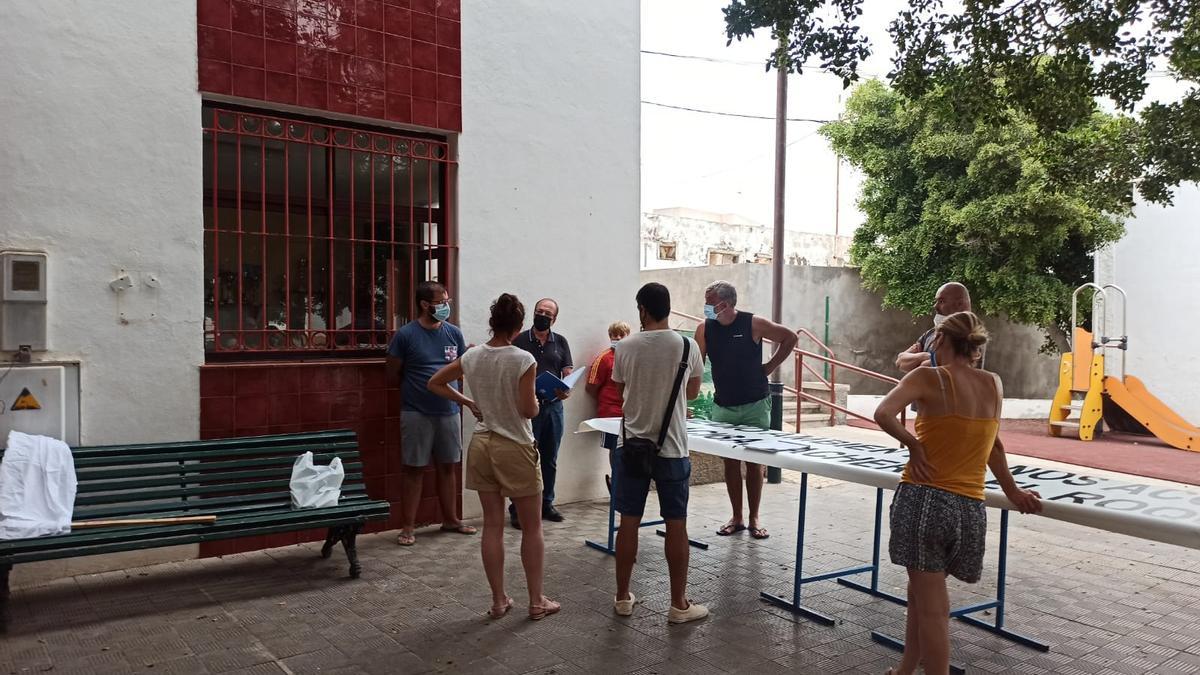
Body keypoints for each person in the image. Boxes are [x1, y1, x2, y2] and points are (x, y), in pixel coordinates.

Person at [873, 311, 1042, 675]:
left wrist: (914, 446)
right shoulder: (993, 384)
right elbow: (993, 445)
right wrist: (1012, 491)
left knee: (933, 609)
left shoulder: (927, 377)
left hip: (924, 503)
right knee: (920, 594)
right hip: (968, 509)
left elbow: (883, 413)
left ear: (941, 341)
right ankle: (905, 669)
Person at [427, 293, 560, 621]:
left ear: (492, 322)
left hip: (482, 444)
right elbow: (529, 410)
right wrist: (542, 401)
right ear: (518, 326)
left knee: (492, 526)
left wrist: (467, 401)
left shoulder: (472, 357)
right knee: (531, 528)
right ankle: (536, 600)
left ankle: (499, 600)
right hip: (515, 445)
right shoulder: (523, 359)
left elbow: (435, 382)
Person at [611, 282, 708, 624]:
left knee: (628, 523)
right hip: (672, 448)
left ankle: (623, 597)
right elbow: (693, 392)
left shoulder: (624, 346)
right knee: (676, 524)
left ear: (643, 310)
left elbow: (621, 388)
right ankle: (678, 604)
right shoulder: (687, 346)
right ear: (668, 308)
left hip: (631, 446)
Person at [695, 280, 798, 540]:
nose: (706, 308)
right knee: (730, 464)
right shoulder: (704, 328)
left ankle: (754, 518)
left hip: (755, 404)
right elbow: (696, 363)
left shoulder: (753, 323)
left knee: (755, 463)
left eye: (709, 303)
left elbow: (790, 337)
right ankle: (737, 517)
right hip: (723, 406)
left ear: (725, 304)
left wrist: (769, 367)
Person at [386, 281, 476, 547]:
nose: (446, 306)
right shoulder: (405, 335)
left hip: (449, 412)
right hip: (416, 412)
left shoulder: (454, 334)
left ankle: (451, 519)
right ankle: (408, 526)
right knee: (413, 468)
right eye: (441, 302)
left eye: (448, 301)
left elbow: (460, 369)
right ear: (425, 304)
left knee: (448, 467)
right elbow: (392, 371)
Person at [511, 298, 573, 527]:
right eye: (539, 311)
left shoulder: (561, 342)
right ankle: (517, 508)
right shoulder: (519, 340)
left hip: (554, 407)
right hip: (528, 406)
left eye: (548, 313)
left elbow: (567, 371)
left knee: (550, 458)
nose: (543, 315)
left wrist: (567, 387)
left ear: (554, 319)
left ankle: (546, 504)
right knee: (525, 458)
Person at [585, 321, 632, 488]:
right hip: (611, 413)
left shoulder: (633, 356)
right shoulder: (604, 358)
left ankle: (624, 482)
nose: (617, 338)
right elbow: (591, 386)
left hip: (631, 413)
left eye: (621, 335)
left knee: (630, 448)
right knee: (615, 448)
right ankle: (616, 481)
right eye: (614, 335)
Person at [896, 282, 974, 373]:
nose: (935, 306)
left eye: (941, 301)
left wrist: (917, 361)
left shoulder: (973, 335)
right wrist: (926, 356)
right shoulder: (930, 333)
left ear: (960, 304)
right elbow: (900, 361)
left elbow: (926, 369)